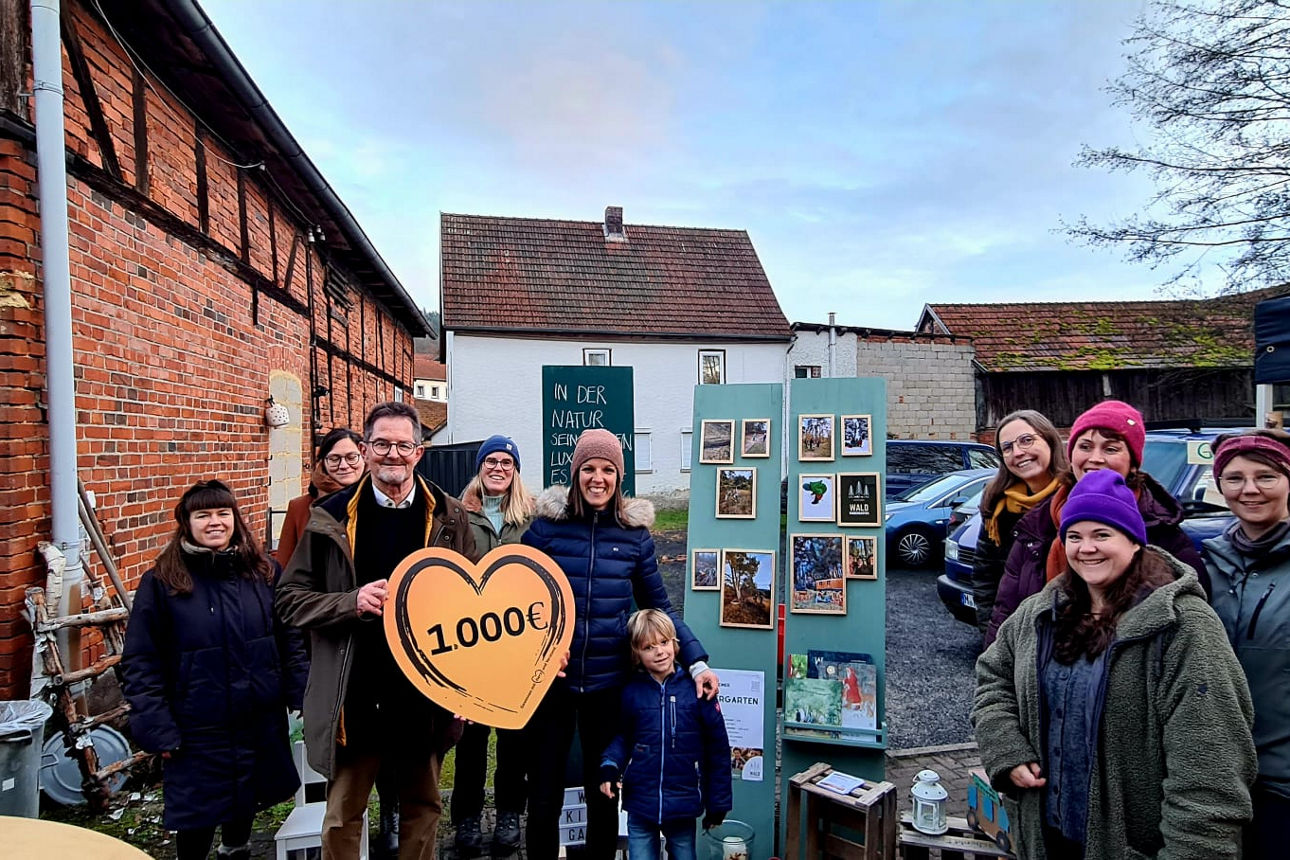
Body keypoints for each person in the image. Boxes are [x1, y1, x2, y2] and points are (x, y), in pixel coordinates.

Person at [972, 469, 1255, 859]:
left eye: (1102, 535)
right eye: (1074, 536)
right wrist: (1006, 749)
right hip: (1045, 839)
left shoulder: (1183, 627)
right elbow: (993, 677)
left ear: (1135, 542)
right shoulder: (1040, 613)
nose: (1086, 548)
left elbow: (1209, 770)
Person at [277, 400, 477, 859]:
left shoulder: (449, 517)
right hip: (354, 692)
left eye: (403, 445)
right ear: (365, 450)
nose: (393, 454)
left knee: (422, 807)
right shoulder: (329, 516)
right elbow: (289, 600)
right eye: (382, 444)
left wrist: (466, 689)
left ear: (419, 452)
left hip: (423, 692)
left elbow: (468, 608)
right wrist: (351, 602)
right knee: (343, 816)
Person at [521, 428, 719, 860]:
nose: (598, 478)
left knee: (604, 790)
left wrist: (698, 662)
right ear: (575, 474)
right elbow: (514, 601)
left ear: (618, 477)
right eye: (588, 468)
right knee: (543, 791)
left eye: (607, 469)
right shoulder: (545, 529)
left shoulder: (634, 537)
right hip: (549, 682)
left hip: (609, 684)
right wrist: (535, 649)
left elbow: (659, 607)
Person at [122, 480, 307, 860]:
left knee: (246, 798)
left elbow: (289, 638)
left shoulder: (263, 572)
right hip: (196, 725)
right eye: (203, 515)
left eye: (223, 513)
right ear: (186, 523)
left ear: (235, 519)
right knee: (198, 814)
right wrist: (156, 725)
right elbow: (141, 660)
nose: (215, 522)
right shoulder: (163, 582)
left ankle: (235, 850)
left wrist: (299, 690)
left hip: (256, 715)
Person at [986, 400, 1210, 645]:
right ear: (1071, 455)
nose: (1095, 458)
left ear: (1133, 462)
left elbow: (1192, 621)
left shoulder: (1160, 529)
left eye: (1111, 449)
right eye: (1085, 446)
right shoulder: (1037, 525)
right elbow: (1005, 613)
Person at [1203, 430, 1290, 857]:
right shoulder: (1205, 563)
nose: (1249, 489)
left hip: (1283, 780)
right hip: (1218, 775)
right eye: (1234, 478)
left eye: (1266, 476)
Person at [452, 435, 537, 857]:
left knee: (513, 738)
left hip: (517, 646)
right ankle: (465, 818)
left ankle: (508, 813)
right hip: (470, 647)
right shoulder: (456, 513)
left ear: (515, 470)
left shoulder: (532, 518)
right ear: (480, 466)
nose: (498, 468)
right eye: (491, 461)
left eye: (507, 462)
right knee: (470, 739)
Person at [598, 609, 732, 860]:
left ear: (675, 643)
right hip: (640, 803)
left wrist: (718, 803)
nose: (659, 651)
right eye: (649, 647)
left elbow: (718, 749)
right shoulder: (631, 692)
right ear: (636, 653)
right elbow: (623, 738)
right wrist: (609, 766)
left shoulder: (697, 690)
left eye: (663, 642)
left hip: (682, 802)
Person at [971, 410, 1067, 635]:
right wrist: (992, 632)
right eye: (1007, 447)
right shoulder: (998, 505)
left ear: (1049, 440)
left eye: (1026, 440)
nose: (1018, 452)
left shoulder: (1074, 496)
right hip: (1016, 634)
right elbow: (986, 576)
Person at [276, 427, 363, 567]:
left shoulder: (378, 500)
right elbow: (284, 567)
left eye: (351, 457)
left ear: (364, 456)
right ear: (323, 462)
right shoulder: (299, 507)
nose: (344, 465)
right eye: (334, 459)